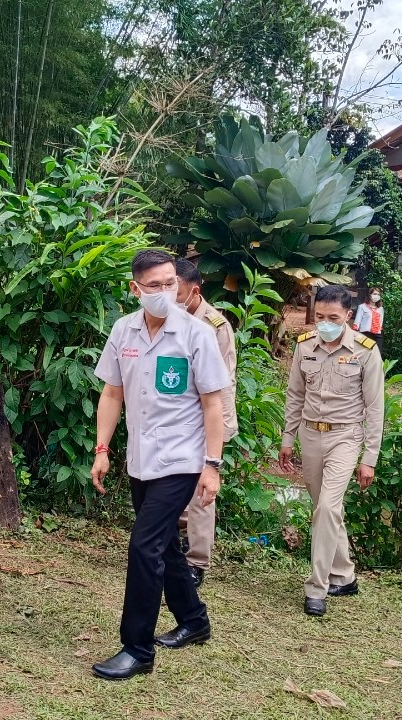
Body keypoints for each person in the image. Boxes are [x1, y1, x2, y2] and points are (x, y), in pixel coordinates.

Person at [88, 249, 230, 680]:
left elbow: (213, 405)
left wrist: (212, 465)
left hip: (182, 459)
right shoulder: (124, 330)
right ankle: (194, 619)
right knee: (165, 544)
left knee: (144, 546)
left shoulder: (196, 334)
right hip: (140, 458)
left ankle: (137, 649)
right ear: (136, 289)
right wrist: (102, 448)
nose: (166, 292)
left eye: (171, 283)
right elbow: (112, 394)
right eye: (155, 285)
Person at [279, 284, 385, 617]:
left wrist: (369, 458)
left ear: (348, 316)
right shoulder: (304, 346)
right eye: (320, 317)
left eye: (333, 317)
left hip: (346, 437)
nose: (325, 323)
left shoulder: (366, 350)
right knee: (326, 509)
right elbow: (295, 394)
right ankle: (345, 576)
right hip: (310, 436)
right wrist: (287, 436)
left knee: (326, 507)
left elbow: (375, 408)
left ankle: (317, 587)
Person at [173, 257, 238, 587]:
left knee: (201, 490)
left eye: (176, 290)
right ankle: (175, 545)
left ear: (194, 291)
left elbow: (223, 385)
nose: (170, 295)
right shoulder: (169, 320)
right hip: (175, 417)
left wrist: (221, 435)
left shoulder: (215, 327)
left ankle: (197, 560)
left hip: (206, 419)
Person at [353, 287, 384, 353]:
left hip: (377, 335)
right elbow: (357, 321)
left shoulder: (380, 309)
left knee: (378, 354)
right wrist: (356, 334)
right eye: (375, 294)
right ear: (370, 295)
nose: (377, 296)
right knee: (366, 353)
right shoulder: (362, 307)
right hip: (366, 334)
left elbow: (381, 322)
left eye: (378, 294)